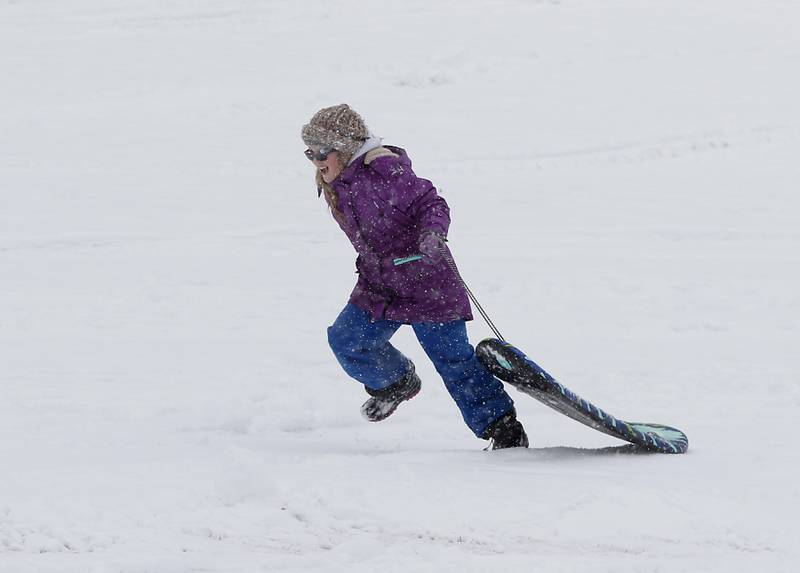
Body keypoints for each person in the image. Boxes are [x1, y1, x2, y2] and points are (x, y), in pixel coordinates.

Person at [301, 104, 528, 450]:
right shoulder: (338, 181)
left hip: (427, 281)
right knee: (347, 340)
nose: (316, 160)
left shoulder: (383, 171)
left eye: (322, 151)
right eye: (310, 153)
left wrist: (433, 233)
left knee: (453, 360)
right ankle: (396, 381)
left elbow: (431, 203)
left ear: (345, 148)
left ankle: (503, 428)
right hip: (380, 284)